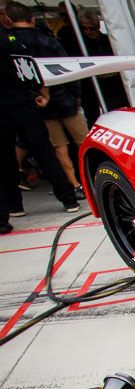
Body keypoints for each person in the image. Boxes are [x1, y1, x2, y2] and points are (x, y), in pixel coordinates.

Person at [1, 1, 80, 233]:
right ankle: (69, 199)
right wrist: (42, 93)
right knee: (45, 152)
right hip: (24, 103)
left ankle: (10, 210)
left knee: (5, 160)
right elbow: (30, 71)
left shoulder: (12, 39)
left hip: (9, 108)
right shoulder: (13, 41)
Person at [57, 8, 129, 126]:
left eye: (92, 28)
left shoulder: (109, 41)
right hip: (90, 85)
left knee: (118, 113)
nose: (89, 31)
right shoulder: (79, 44)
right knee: (93, 117)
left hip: (113, 84)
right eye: (85, 28)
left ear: (97, 27)